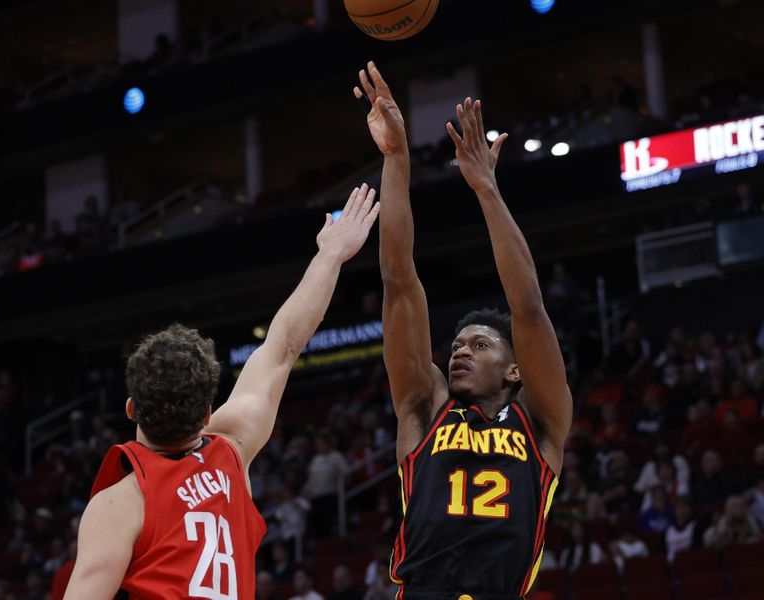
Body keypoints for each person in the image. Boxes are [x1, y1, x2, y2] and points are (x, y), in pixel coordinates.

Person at [63, 186, 380, 599]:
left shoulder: (119, 505)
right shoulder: (231, 450)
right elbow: (284, 345)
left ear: (130, 408)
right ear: (209, 413)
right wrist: (331, 255)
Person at [354, 61, 572, 598]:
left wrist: (485, 190)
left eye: (479, 345)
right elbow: (399, 281)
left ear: (515, 368)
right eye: (456, 345)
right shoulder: (424, 407)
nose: (459, 353)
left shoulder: (540, 421)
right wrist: (397, 158)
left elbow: (528, 306)